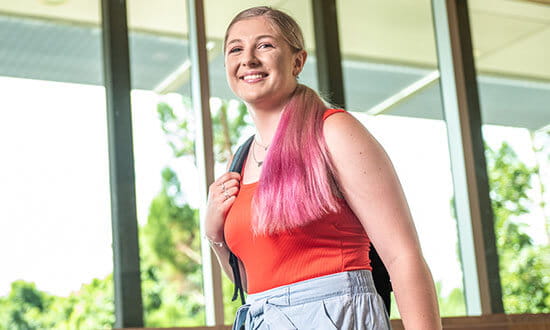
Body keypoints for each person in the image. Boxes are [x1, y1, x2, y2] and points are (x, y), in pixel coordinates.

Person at [204, 6, 442, 330]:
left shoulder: (333, 132)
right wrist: (214, 235)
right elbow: (255, 283)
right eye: (236, 49)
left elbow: (403, 256)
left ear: (297, 61)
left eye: (265, 45)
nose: (248, 59)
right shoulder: (241, 160)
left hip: (340, 316)